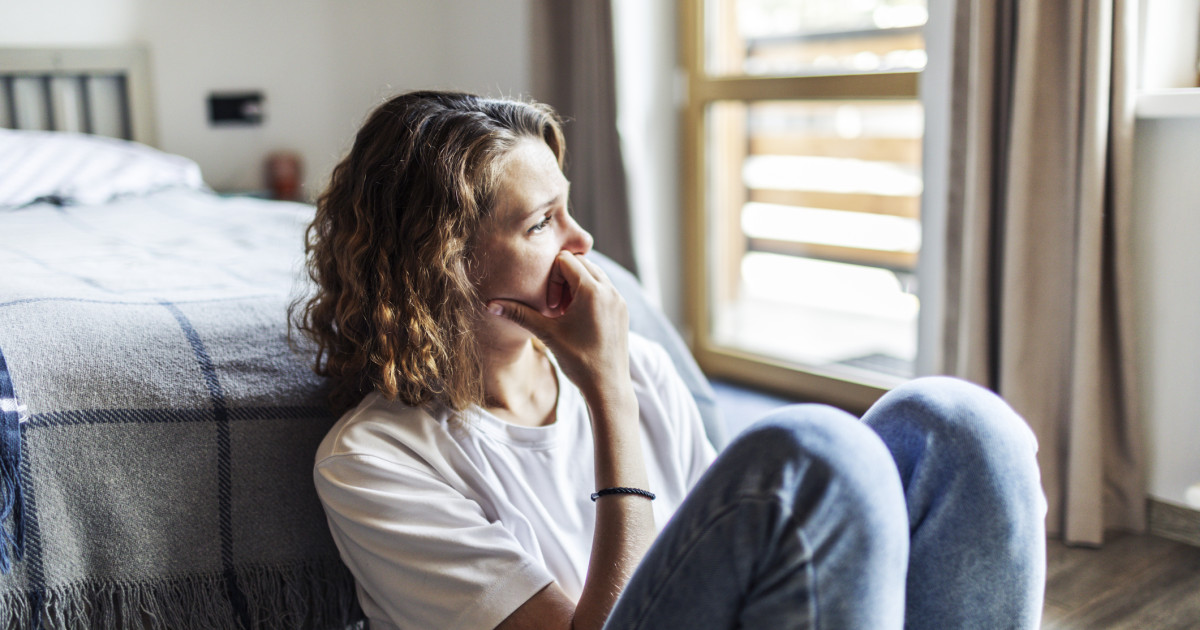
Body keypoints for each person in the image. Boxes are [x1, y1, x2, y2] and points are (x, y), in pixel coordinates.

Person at [292, 90, 1047, 630]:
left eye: (568, 207)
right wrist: (608, 395)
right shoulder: (374, 460)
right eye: (542, 223)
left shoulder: (642, 364)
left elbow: (729, 555)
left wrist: (619, 376)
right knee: (815, 450)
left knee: (955, 422)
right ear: (443, 263)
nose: (583, 242)